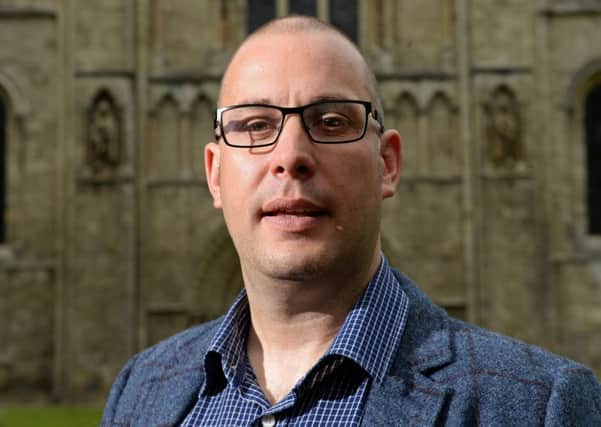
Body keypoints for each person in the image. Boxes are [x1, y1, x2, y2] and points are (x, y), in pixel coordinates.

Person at [101, 16, 601, 426]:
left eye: (332, 122)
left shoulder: (544, 408)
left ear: (387, 163)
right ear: (214, 175)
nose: (290, 156)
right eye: (255, 125)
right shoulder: (139, 393)